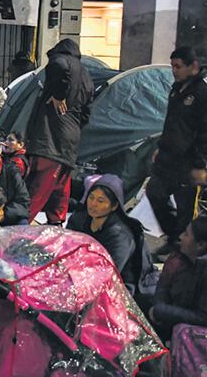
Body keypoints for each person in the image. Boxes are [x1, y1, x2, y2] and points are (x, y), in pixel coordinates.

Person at [25, 39, 93, 225]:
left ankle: (18, 227)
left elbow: (58, 65)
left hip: (51, 139)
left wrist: (58, 94)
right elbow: (87, 111)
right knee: (60, 190)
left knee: (37, 190)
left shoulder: (63, 61)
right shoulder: (85, 73)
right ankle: (56, 226)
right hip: (70, 140)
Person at [146, 46, 207, 254]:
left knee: (186, 209)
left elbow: (204, 132)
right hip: (168, 157)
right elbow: (171, 123)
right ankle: (174, 237)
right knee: (154, 192)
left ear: (193, 67)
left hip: (189, 161)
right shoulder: (176, 89)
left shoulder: (201, 93)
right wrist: (161, 146)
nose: (174, 70)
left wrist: (200, 165)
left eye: (178, 66)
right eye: (173, 66)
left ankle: (185, 248)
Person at [67, 174, 152, 292]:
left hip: (117, 284)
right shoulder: (79, 219)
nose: (93, 204)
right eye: (91, 197)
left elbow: (109, 272)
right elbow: (65, 247)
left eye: (101, 201)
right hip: (80, 273)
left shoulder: (121, 235)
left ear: (114, 206)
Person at [148, 216, 207, 339]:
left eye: (186, 234)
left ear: (200, 245)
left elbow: (202, 317)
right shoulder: (178, 257)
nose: (180, 237)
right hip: (169, 313)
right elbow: (163, 285)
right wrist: (158, 307)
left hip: (190, 330)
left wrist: (163, 312)